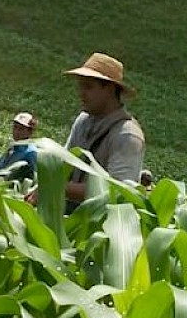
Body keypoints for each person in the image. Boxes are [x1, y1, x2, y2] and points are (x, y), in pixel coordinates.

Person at [61, 52, 145, 208]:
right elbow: (64, 163)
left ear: (110, 89)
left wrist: (58, 187)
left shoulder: (127, 135)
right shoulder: (83, 121)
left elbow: (118, 192)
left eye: (88, 87)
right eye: (80, 86)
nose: (81, 93)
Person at [0, 111, 38, 181]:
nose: (16, 131)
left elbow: (35, 178)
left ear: (30, 132)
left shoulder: (31, 152)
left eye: (21, 129)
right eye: (15, 127)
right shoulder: (13, 146)